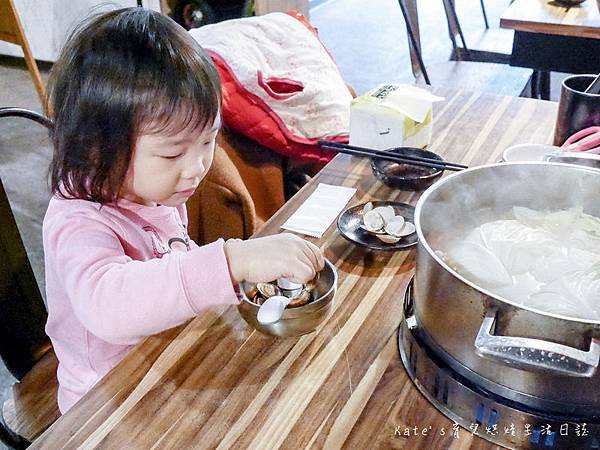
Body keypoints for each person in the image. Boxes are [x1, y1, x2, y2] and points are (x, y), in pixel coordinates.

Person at [43, 7, 324, 413]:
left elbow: (173, 254)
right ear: (99, 147)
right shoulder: (78, 219)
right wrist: (230, 261)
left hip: (168, 363)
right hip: (105, 404)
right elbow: (107, 305)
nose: (196, 168)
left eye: (208, 141)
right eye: (173, 153)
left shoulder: (154, 189)